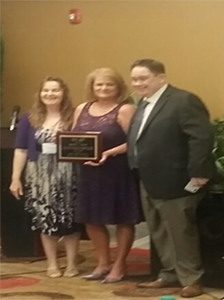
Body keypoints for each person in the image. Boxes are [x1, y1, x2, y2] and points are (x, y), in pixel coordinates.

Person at [127, 59, 215, 297]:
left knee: (180, 232)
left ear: (161, 78)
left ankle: (192, 280)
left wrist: (198, 172)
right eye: (134, 79)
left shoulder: (183, 100)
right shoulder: (144, 104)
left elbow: (201, 137)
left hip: (176, 179)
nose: (138, 83)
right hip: (148, 178)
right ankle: (169, 274)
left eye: (143, 78)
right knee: (159, 231)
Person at [72, 68, 143, 283]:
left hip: (116, 171)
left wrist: (108, 153)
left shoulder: (125, 109)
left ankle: (120, 265)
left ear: (118, 87)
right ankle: (103, 263)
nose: (103, 88)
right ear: (92, 87)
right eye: (99, 85)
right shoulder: (81, 108)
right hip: (88, 172)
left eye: (108, 85)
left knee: (122, 218)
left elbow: (135, 141)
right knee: (91, 219)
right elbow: (72, 137)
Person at [9, 76, 80, 278]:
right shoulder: (29, 118)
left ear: (64, 93)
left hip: (69, 173)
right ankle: (52, 264)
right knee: (44, 218)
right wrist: (15, 177)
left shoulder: (74, 116)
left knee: (71, 218)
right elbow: (21, 150)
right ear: (40, 94)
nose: (50, 94)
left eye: (55, 90)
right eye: (46, 91)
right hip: (39, 174)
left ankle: (72, 264)